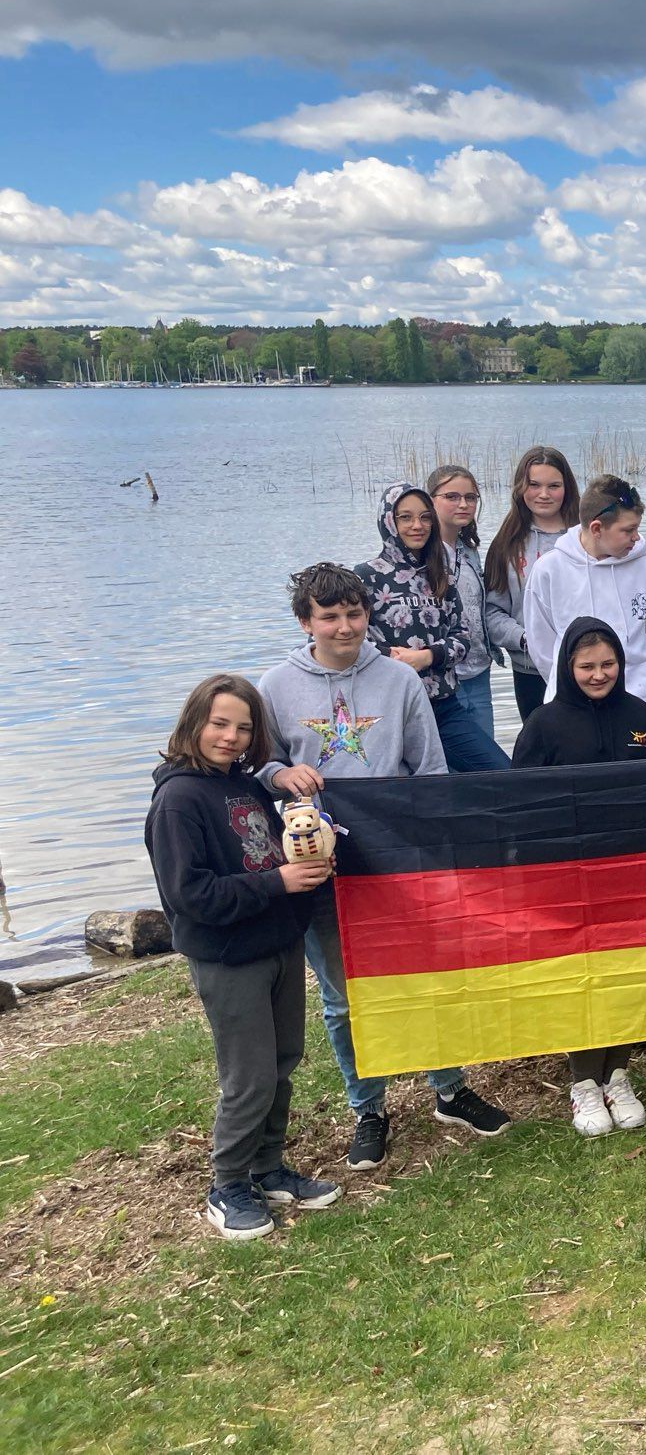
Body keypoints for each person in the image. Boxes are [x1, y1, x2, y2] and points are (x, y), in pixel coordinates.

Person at [259, 564, 512, 1170]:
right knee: (344, 998)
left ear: (367, 614)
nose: (344, 627)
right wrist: (278, 774)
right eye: (329, 617)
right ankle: (367, 1106)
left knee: (424, 979)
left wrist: (428, 848)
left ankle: (448, 1089)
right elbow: (259, 763)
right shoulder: (274, 687)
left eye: (354, 614)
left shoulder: (400, 681)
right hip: (320, 865)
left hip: (396, 860)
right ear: (306, 622)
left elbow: (429, 772)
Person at [147, 674, 341, 1241]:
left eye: (244, 727)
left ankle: (268, 1165)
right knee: (248, 1074)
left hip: (277, 944)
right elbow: (191, 895)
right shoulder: (178, 800)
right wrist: (280, 883)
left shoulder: (247, 787)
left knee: (283, 1058)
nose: (230, 737)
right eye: (219, 723)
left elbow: (270, 852)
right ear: (194, 724)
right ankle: (227, 1183)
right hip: (229, 957)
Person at [511, 617, 646, 1138]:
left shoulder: (642, 715)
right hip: (569, 876)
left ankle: (618, 1076)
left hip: (630, 871)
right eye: (586, 666)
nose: (599, 674)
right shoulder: (543, 724)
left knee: (624, 973)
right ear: (566, 667)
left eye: (608, 664)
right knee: (582, 979)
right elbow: (521, 802)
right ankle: (583, 1084)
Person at [355, 483, 511, 773]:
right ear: (388, 520)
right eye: (406, 517)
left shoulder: (441, 572)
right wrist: (392, 658)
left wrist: (426, 657)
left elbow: (463, 637)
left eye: (426, 517)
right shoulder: (367, 576)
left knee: (501, 772)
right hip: (389, 710)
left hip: (443, 707)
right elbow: (353, 640)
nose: (418, 525)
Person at [523, 474, 646, 712]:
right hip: (573, 708)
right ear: (596, 528)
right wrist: (574, 687)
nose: (636, 537)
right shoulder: (549, 570)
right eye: (628, 530)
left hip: (640, 702)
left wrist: (643, 682)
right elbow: (541, 644)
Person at [482, 445, 581, 725]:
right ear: (520, 488)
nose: (544, 494)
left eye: (554, 485)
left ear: (567, 488)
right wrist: (527, 639)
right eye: (534, 485)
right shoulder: (506, 545)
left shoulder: (588, 537)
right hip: (530, 670)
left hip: (588, 667)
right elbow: (492, 612)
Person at [426, 464, 501, 740]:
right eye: (452, 496)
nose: (463, 504)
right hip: (444, 675)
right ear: (431, 499)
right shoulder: (421, 556)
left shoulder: (469, 551)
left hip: (479, 669)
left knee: (485, 762)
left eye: (470, 498)